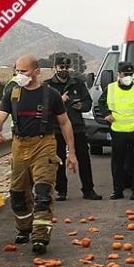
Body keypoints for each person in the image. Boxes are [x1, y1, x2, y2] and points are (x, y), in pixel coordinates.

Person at [0, 55, 78, 256]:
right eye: (17, 71)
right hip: (20, 146)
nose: (19, 75)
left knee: (43, 192)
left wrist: (71, 152)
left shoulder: (51, 95)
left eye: (23, 71)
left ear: (36, 71)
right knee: (18, 194)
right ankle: (23, 228)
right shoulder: (12, 94)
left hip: (44, 144)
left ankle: (40, 236)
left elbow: (65, 123)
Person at [45, 57, 101, 201]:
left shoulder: (78, 84)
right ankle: (61, 191)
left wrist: (81, 106)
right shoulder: (48, 86)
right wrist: (58, 99)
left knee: (83, 159)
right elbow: (43, 108)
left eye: (66, 67)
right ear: (55, 68)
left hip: (77, 128)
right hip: (56, 129)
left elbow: (88, 103)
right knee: (59, 160)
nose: (64, 70)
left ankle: (88, 190)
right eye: (61, 67)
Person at [99, 62, 134, 200]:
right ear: (119, 74)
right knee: (118, 163)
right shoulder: (110, 88)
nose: (128, 76)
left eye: (130, 74)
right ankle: (118, 191)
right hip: (117, 130)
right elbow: (101, 102)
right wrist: (106, 114)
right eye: (125, 74)